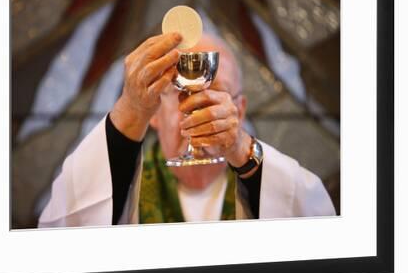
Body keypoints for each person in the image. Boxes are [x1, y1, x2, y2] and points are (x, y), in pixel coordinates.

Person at [37, 32, 336, 227]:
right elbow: (64, 228)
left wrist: (242, 149)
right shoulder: (121, 182)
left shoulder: (272, 180)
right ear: (153, 112)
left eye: (216, 92)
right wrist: (130, 110)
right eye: (181, 94)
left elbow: (318, 226)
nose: (196, 107)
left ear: (240, 110)